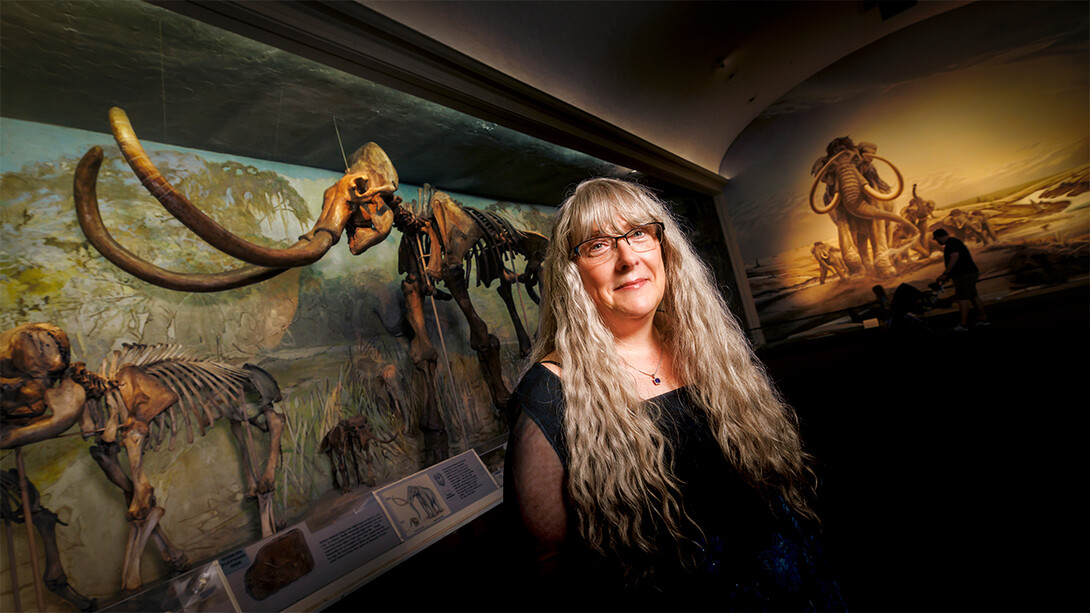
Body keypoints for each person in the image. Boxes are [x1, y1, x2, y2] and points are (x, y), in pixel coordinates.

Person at [503, 178, 844, 610]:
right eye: (597, 245)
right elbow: (547, 567)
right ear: (573, 275)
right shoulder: (549, 392)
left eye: (639, 234)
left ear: (664, 247)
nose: (628, 258)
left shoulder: (707, 348)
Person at [933, 228, 990, 331]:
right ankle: (983, 318)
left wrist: (946, 273)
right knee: (973, 296)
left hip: (963, 275)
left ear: (939, 237)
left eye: (936, 239)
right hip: (970, 273)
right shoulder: (955, 242)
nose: (937, 241)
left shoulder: (951, 243)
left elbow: (954, 257)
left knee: (962, 299)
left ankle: (963, 324)